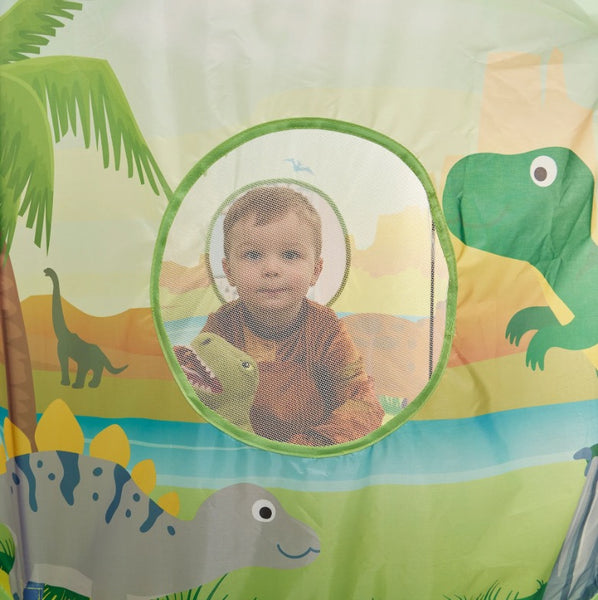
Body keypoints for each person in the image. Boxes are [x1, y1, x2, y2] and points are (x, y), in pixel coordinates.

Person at [202, 185, 384, 446]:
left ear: (315, 271)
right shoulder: (221, 328)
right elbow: (195, 391)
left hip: (311, 454)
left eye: (290, 255)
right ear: (229, 271)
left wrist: (311, 446)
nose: (271, 269)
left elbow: (361, 400)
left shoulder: (326, 328)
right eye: (252, 255)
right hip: (241, 452)